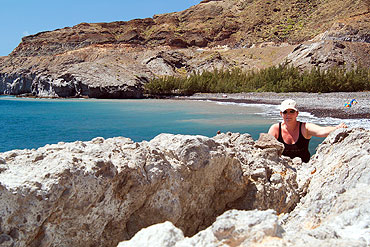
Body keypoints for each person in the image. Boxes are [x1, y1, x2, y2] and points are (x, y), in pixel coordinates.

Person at [268, 99, 347, 162]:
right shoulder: (275, 129)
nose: (288, 115)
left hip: (304, 167)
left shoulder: (305, 127)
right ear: (281, 114)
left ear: (297, 113)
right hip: (283, 168)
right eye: (285, 112)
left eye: (291, 111)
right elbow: (266, 149)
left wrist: (337, 128)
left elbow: (322, 130)